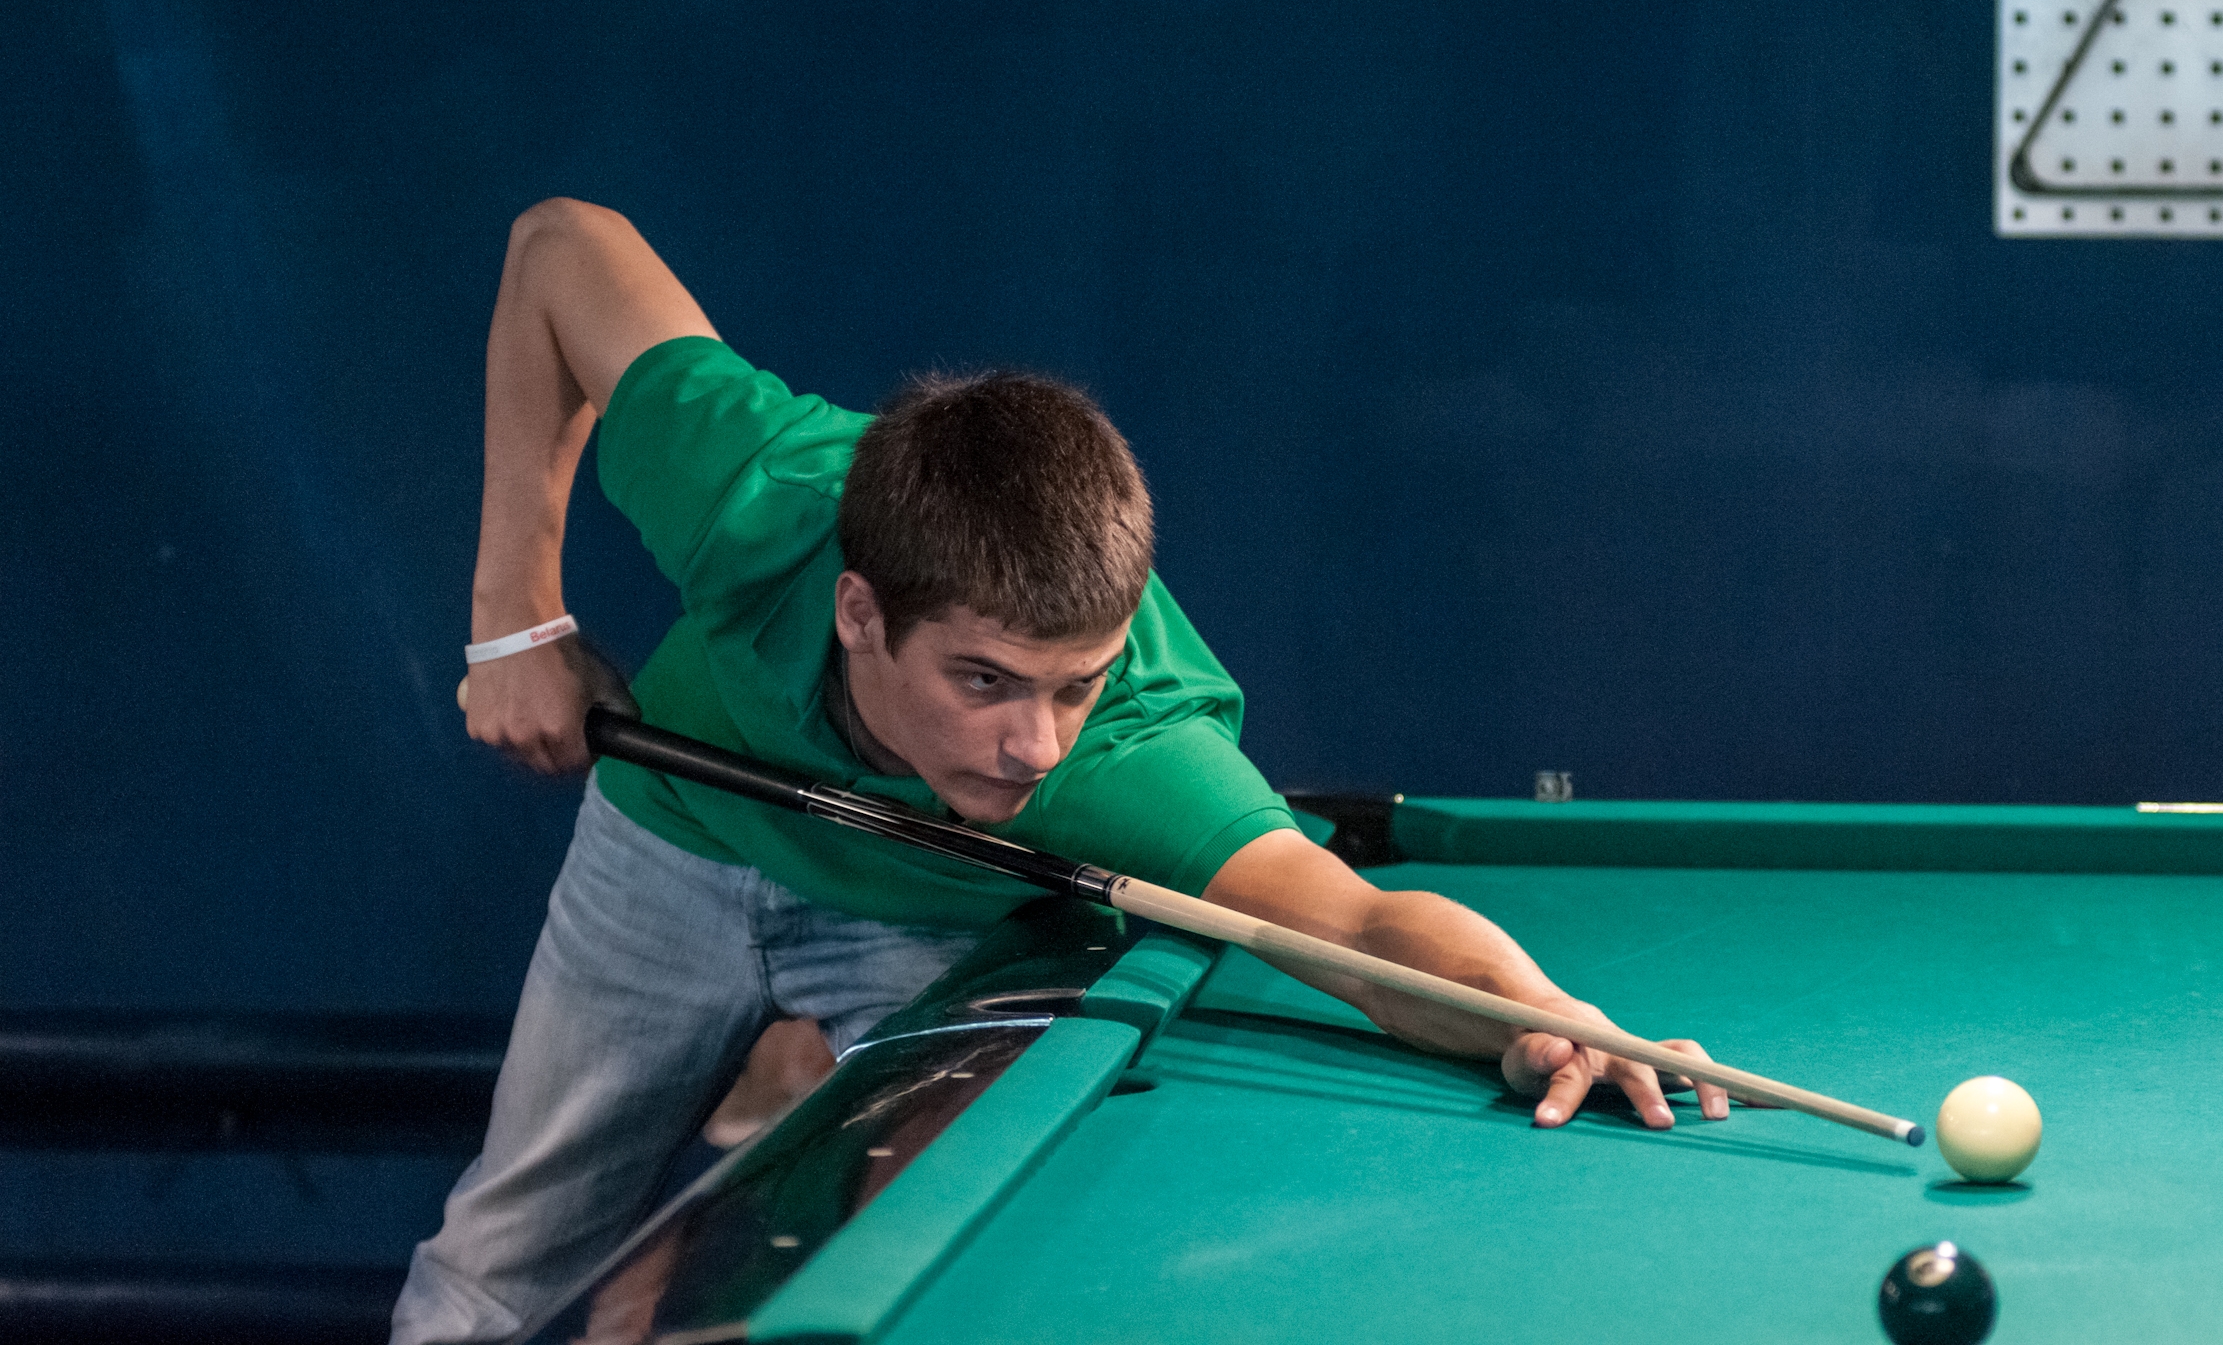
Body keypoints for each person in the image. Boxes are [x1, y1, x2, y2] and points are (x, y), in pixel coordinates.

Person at [391, 198, 1730, 1344]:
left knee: (923, 1273)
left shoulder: (1128, 749)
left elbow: (1366, 932)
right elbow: (561, 244)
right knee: (499, 1265)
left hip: (930, 911)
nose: (1035, 746)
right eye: (983, 681)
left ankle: (788, 1095)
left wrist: (1546, 1015)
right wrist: (517, 622)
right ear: (861, 613)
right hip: (679, 834)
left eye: (1073, 684)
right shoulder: (758, 490)